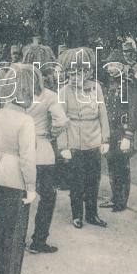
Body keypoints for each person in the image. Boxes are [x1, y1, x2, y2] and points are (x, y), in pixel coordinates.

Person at [0, 63, 38, 274]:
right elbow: (27, 158)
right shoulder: (26, 121)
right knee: (17, 231)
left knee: (2, 228)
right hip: (17, 177)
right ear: (24, 93)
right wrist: (32, 187)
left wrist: (0, 163)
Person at [56, 48, 111, 228]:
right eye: (71, 73)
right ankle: (77, 215)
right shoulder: (63, 92)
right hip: (74, 141)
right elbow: (61, 121)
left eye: (78, 72)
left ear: (87, 72)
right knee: (76, 181)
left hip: (93, 140)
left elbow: (103, 114)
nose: (74, 76)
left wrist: (105, 139)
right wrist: (63, 146)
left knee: (93, 180)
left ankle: (92, 214)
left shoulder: (97, 88)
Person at [26, 67, 68, 253]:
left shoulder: (17, 94)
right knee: (48, 196)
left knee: (23, 195)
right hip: (42, 150)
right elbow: (61, 121)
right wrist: (52, 135)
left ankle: (18, 238)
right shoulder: (50, 96)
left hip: (23, 150)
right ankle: (39, 240)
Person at [99, 49, 135, 212]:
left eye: (113, 65)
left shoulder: (128, 85)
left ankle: (121, 200)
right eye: (109, 65)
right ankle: (115, 197)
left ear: (121, 66)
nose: (110, 68)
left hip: (122, 132)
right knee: (112, 165)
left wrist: (129, 135)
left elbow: (133, 112)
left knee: (122, 166)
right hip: (111, 132)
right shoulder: (110, 85)